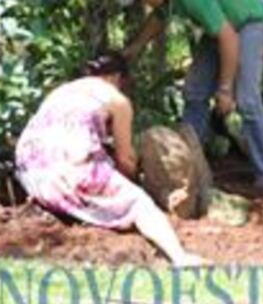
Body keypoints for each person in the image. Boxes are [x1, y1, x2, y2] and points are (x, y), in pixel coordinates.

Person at [15, 53, 203, 265]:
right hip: (71, 173)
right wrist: (131, 180)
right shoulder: (117, 100)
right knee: (140, 204)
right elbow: (125, 158)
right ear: (117, 77)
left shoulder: (63, 90)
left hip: (31, 173)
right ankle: (179, 256)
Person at [120, 0, 263, 189]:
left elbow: (229, 38)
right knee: (194, 91)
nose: (142, 4)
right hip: (220, 25)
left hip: (247, 24)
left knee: (247, 99)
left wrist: (225, 89)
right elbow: (158, 19)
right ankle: (188, 161)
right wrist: (134, 49)